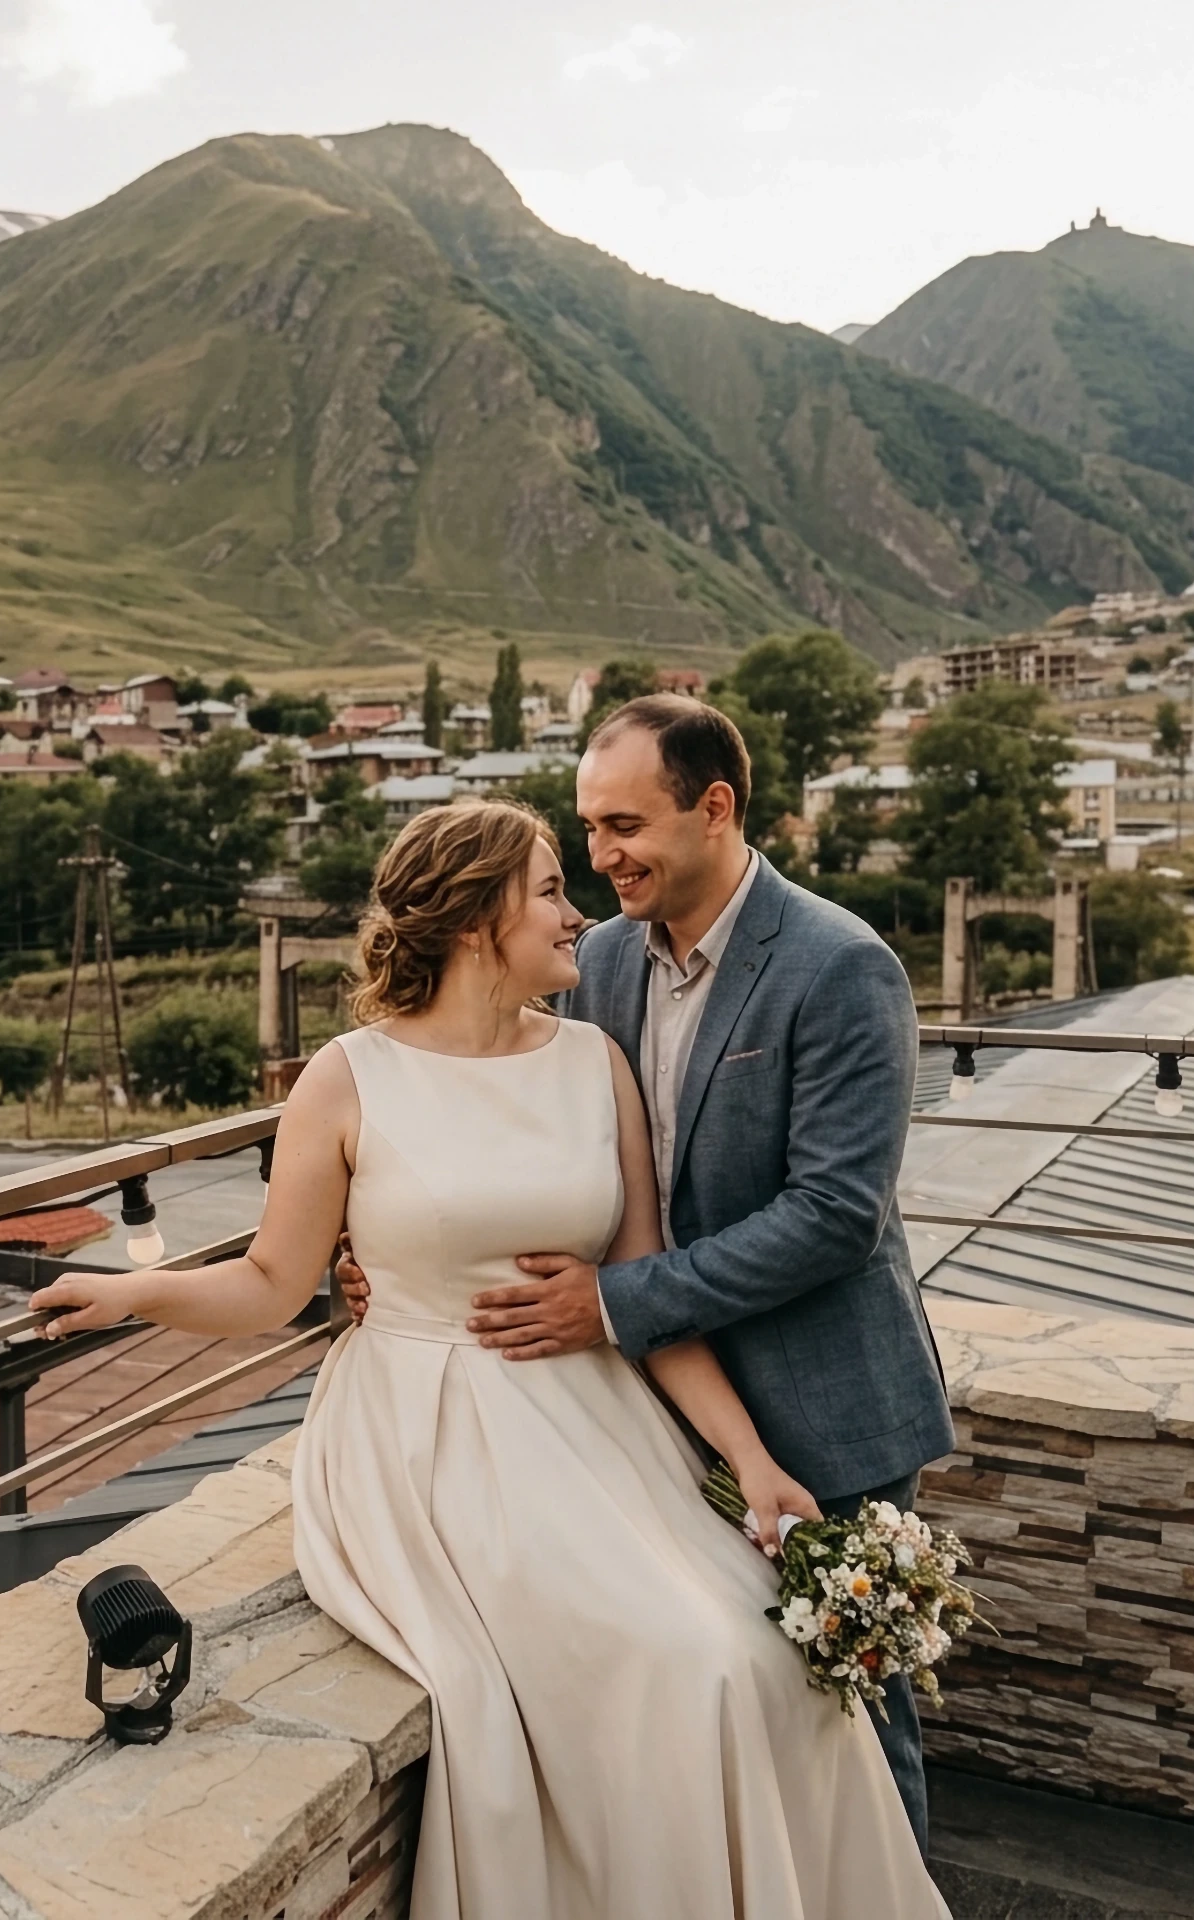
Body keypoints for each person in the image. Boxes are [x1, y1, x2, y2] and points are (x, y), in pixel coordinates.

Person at [32, 798, 948, 1920]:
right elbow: (273, 1283)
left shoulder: (591, 1060)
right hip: (431, 1437)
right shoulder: (344, 1077)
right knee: (690, 1661)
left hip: (601, 1427)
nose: (581, 914)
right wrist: (132, 1292)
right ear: (475, 920)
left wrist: (750, 1460)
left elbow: (645, 1293)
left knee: (761, 1655)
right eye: (552, 888)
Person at [341, 695, 955, 1854]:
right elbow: (482, 1120)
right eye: (587, 830)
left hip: (820, 1400)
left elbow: (835, 1215)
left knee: (857, 1721)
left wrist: (613, 1303)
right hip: (646, 1414)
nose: (599, 857)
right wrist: (378, 1253)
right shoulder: (597, 963)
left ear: (713, 808)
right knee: (715, 1695)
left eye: (624, 825)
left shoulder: (841, 966)